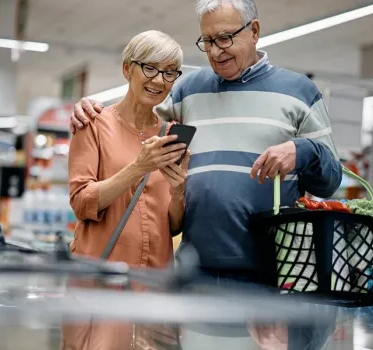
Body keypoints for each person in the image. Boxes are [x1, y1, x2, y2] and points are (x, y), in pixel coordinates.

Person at [70, 0, 342, 348]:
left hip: (269, 279)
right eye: (207, 41)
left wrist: (303, 151)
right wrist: (89, 108)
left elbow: (332, 179)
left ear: (254, 31)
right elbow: (135, 116)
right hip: (193, 274)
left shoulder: (300, 92)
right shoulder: (187, 91)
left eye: (225, 38)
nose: (215, 51)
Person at [63, 30, 188, 350]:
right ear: (126, 69)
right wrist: (139, 167)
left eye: (169, 72)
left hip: (155, 286)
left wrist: (178, 192)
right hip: (101, 283)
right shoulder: (92, 124)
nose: (159, 80)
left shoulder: (173, 136)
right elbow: (81, 202)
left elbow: (171, 225)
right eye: (150, 68)